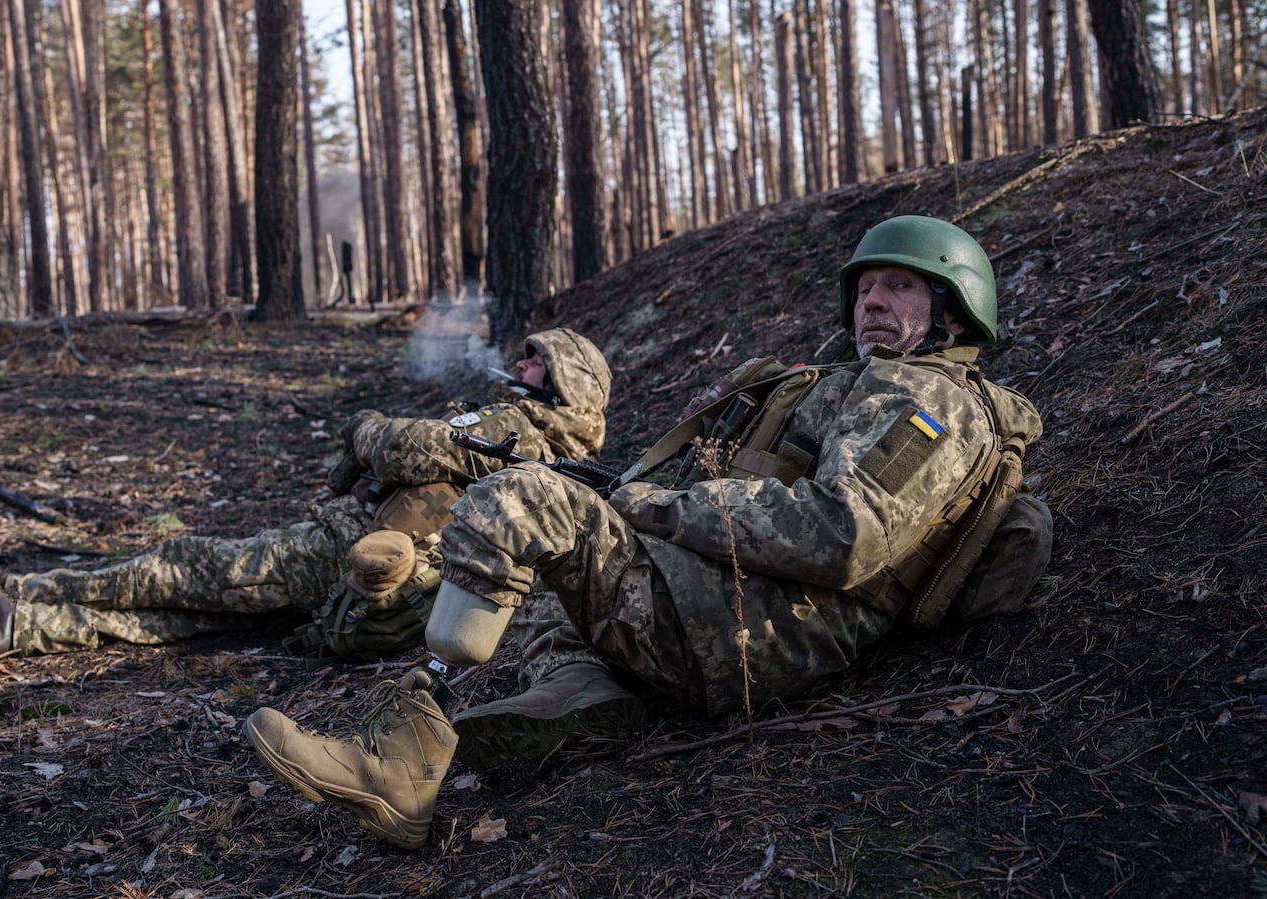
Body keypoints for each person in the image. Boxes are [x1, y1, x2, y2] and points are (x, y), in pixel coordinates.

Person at [243, 215, 1053, 850]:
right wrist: (648, 493)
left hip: (761, 631)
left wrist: (657, 508)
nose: (872, 301)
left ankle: (403, 764)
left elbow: (844, 533)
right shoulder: (848, 383)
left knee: (523, 500)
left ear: (953, 310)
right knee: (564, 519)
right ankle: (582, 686)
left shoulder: (931, 403)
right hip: (735, 604)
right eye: (865, 287)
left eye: (899, 289)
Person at [0, 328, 613, 658]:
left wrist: (367, 429)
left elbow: (413, 447)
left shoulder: (523, 428)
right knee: (197, 615)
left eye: (536, 360)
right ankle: (16, 620)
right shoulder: (534, 436)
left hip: (353, 551)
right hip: (369, 564)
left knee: (186, 567)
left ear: (562, 384)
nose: (520, 364)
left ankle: (28, 593)